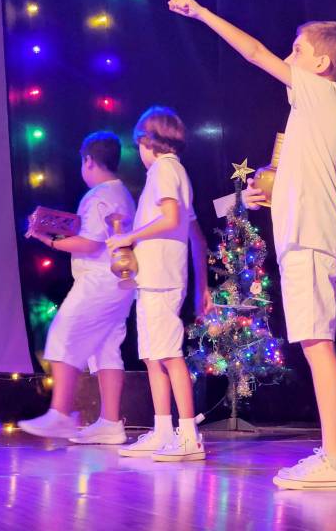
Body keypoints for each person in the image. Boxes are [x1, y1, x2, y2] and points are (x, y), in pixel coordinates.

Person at [162, 0, 336, 489]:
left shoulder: (322, 92)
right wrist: (262, 195)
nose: (288, 59)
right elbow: (301, 177)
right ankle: (332, 455)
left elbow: (253, 52)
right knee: (314, 342)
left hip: (311, 236)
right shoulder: (313, 111)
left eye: (297, 51)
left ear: (320, 64)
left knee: (317, 344)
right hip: (304, 233)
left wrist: (200, 11)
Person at [107, 106, 213, 461]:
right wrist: (201, 287)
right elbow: (197, 237)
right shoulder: (171, 173)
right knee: (153, 356)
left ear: (147, 141)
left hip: (162, 278)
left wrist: (129, 237)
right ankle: (164, 430)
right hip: (154, 278)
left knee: (169, 354)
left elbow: (170, 219)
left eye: (139, 144)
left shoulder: (165, 169)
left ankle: (188, 435)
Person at [19, 131, 136, 444]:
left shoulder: (98, 196)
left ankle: (60, 413)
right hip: (121, 282)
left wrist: (49, 240)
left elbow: (89, 243)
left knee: (63, 333)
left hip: (98, 280)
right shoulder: (122, 193)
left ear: (88, 161)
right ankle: (110, 422)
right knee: (106, 348)